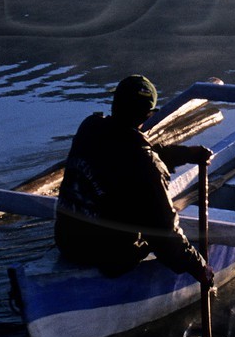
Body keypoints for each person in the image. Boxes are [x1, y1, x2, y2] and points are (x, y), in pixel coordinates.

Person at [54, 74, 214, 286]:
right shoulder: (144, 163)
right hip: (110, 257)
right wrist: (198, 267)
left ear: (114, 104)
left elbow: (125, 154)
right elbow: (164, 234)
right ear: (147, 115)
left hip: (66, 241)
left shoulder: (89, 128)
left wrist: (185, 154)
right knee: (157, 224)